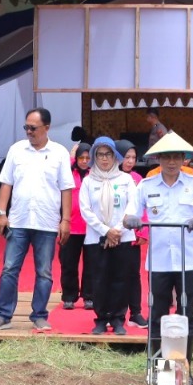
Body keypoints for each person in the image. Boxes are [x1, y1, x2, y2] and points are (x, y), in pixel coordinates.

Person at [124, 132, 193, 385]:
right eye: (166, 157)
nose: (172, 162)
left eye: (177, 157)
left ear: (184, 159)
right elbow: (129, 216)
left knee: (187, 313)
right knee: (157, 313)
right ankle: (156, 367)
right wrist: (132, 221)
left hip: (188, 260)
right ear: (158, 159)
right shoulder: (146, 185)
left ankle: (184, 367)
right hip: (160, 261)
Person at [0, 107, 75, 331]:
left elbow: (66, 189)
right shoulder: (16, 150)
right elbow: (6, 183)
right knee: (9, 268)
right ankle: (3, 315)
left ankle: (39, 315)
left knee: (44, 272)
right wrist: (1, 213)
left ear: (47, 128)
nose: (29, 131)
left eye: (33, 128)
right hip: (18, 220)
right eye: (26, 127)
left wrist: (66, 220)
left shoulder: (59, 153)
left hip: (46, 222)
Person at [80, 137, 139, 335]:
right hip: (96, 238)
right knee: (99, 279)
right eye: (100, 154)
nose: (104, 159)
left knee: (121, 278)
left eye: (108, 154)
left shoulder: (125, 180)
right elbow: (86, 210)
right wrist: (106, 231)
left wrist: (116, 230)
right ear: (94, 157)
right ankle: (101, 318)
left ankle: (118, 318)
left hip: (122, 236)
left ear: (115, 156)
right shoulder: (88, 181)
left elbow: (132, 207)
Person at [117, 140, 148, 328]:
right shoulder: (108, 176)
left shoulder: (138, 179)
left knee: (133, 275)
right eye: (126, 157)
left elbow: (143, 207)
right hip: (112, 233)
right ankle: (116, 313)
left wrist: (143, 231)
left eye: (133, 158)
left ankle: (135, 313)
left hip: (131, 235)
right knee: (114, 275)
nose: (130, 161)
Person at [59, 143, 94, 311]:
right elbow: (62, 165)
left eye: (88, 158)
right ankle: (69, 296)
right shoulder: (68, 172)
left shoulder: (95, 174)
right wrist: (71, 156)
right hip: (71, 226)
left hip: (91, 227)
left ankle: (89, 296)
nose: (84, 161)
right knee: (68, 263)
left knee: (91, 264)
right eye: (81, 157)